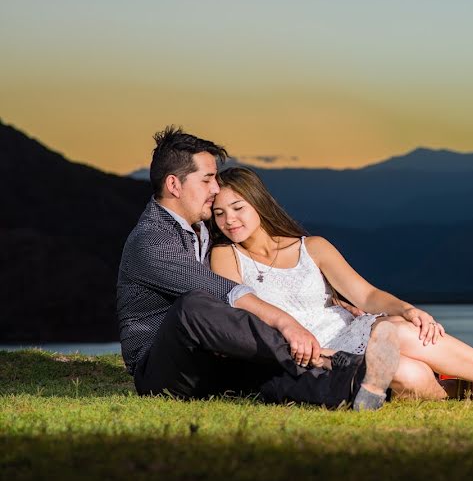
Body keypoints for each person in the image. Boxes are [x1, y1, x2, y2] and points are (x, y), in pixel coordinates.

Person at [208, 166, 473, 401]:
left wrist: (407, 308)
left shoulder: (312, 247)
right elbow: (240, 308)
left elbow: (366, 294)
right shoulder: (226, 256)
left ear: (258, 203)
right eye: (219, 212)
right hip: (313, 354)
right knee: (408, 373)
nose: (229, 220)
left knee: (398, 330)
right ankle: (465, 388)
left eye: (238, 207)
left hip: (353, 332)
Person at [116, 126, 405, 411]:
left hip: (208, 354)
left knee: (264, 374)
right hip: (161, 368)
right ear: (174, 185)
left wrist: (331, 296)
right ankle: (327, 358)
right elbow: (220, 290)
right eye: (207, 180)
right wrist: (287, 324)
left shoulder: (203, 227)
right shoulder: (151, 240)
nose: (216, 189)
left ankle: (353, 386)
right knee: (192, 305)